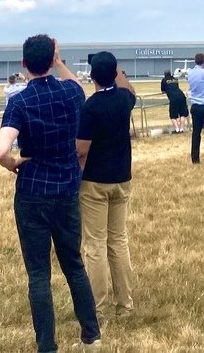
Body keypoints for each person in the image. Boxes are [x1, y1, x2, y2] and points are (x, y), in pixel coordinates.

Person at [0, 35, 100, 352]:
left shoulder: (20, 102)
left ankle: (46, 345)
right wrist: (59, 58)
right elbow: (75, 84)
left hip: (32, 191)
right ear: (53, 60)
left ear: (24, 65)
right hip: (66, 188)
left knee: (39, 275)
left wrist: (13, 164)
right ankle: (91, 336)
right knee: (74, 266)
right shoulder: (71, 92)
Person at [76, 51, 137, 318]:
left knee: (95, 244)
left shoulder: (90, 108)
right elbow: (129, 89)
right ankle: (125, 304)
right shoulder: (124, 100)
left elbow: (81, 149)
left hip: (95, 182)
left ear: (91, 77)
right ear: (115, 74)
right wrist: (119, 72)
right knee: (118, 241)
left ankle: (98, 308)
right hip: (122, 178)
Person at [160, 69, 188, 133]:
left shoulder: (164, 80)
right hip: (181, 96)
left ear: (164, 74)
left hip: (173, 98)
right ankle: (181, 129)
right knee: (183, 114)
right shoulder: (175, 79)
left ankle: (177, 129)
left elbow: (163, 90)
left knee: (173, 115)